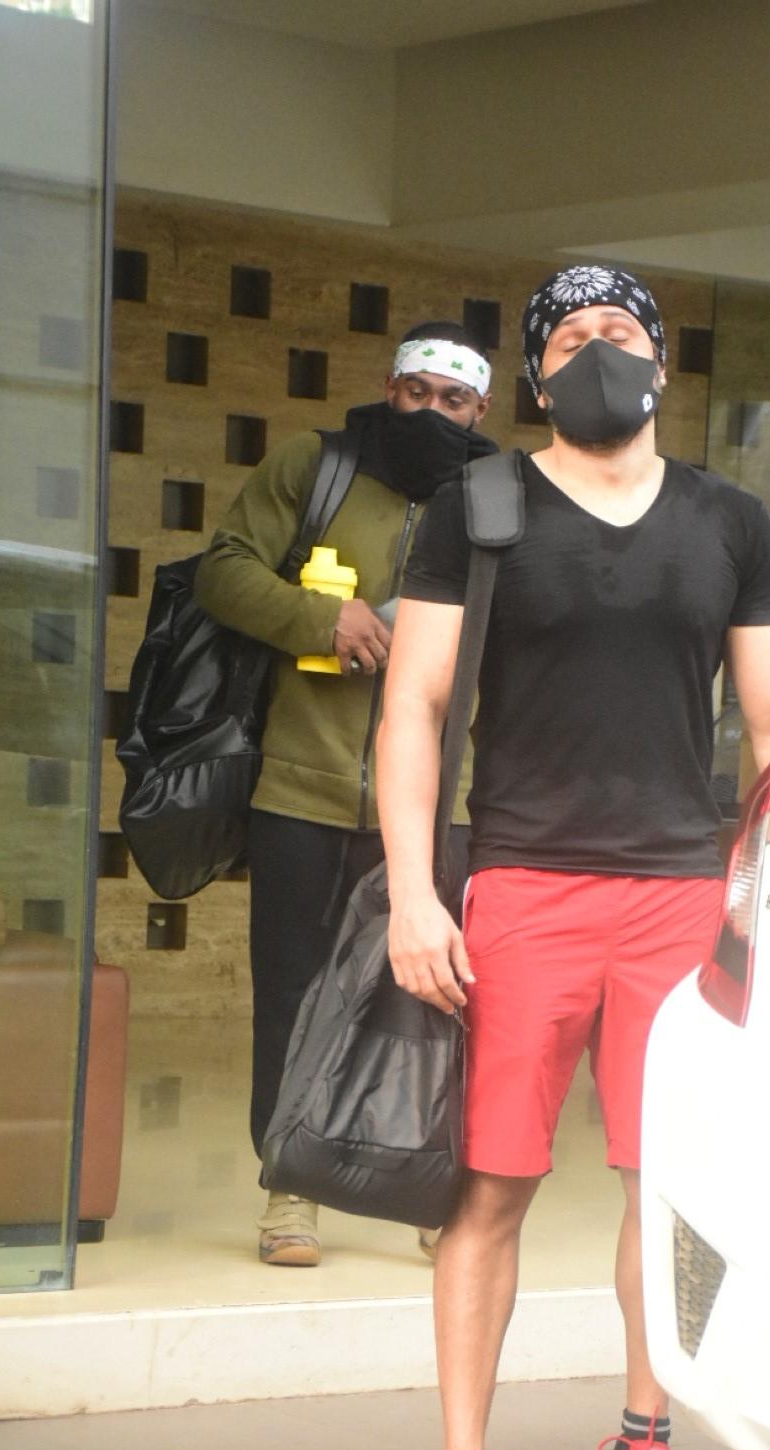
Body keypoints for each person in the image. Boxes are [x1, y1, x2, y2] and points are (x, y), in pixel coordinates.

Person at [378, 265, 770, 1450]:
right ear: (534, 376)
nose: (598, 351)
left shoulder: (730, 523)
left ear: (662, 362)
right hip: (522, 891)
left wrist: (766, 899)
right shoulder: (480, 505)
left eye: (620, 332)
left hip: (679, 896)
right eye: (568, 338)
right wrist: (413, 891)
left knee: (659, 1186)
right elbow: (413, 708)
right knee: (490, 1188)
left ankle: (645, 1442)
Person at [195, 323, 495, 1267]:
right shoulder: (316, 465)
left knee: (435, 997)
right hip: (301, 783)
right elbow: (223, 569)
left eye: (453, 401)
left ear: (481, 411)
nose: (431, 412)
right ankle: (290, 1192)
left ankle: (427, 1186)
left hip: (441, 800)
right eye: (415, 392)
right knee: (288, 993)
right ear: (389, 387)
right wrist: (324, 617)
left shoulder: (498, 493)